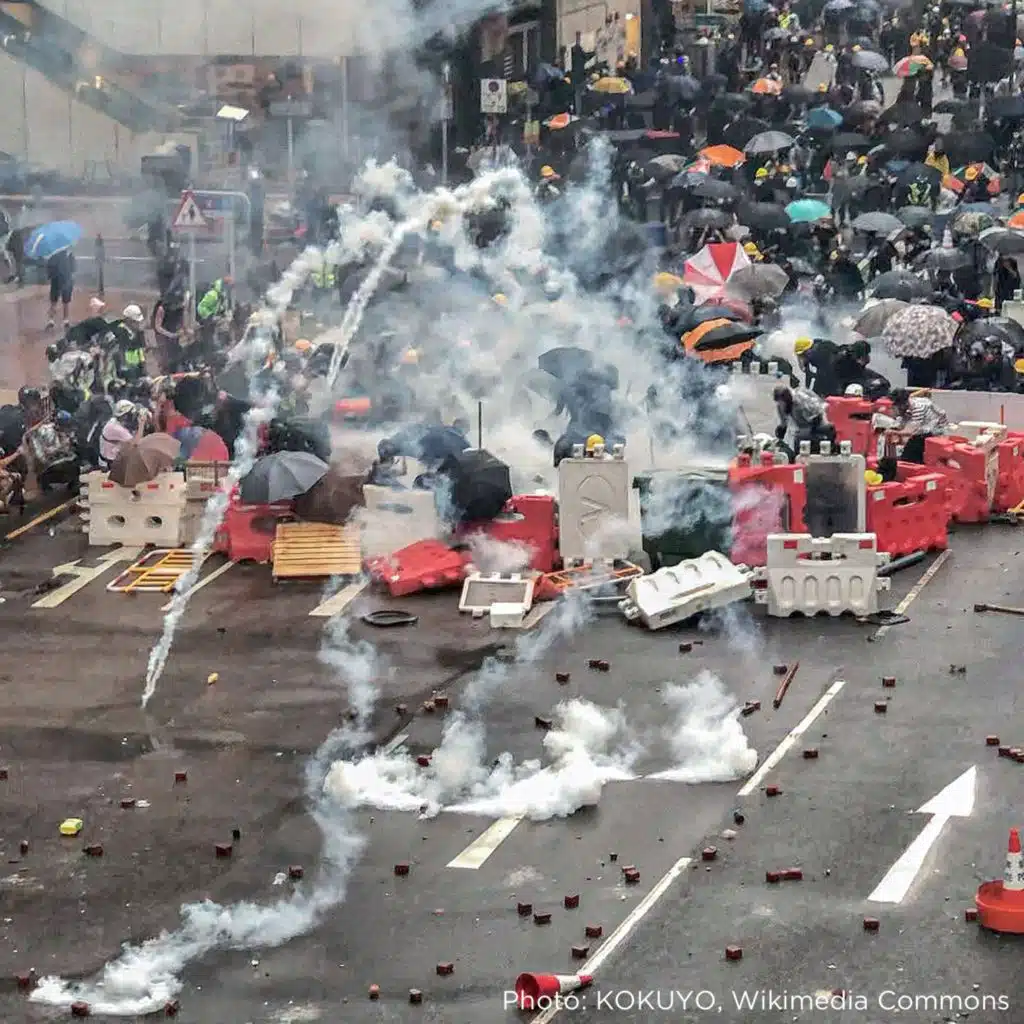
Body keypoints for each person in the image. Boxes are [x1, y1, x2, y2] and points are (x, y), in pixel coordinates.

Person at [887, 387, 949, 463]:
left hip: (937, 431)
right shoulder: (908, 404)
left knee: (910, 452)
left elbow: (911, 431)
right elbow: (900, 419)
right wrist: (895, 429)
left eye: (896, 407)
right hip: (924, 428)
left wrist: (891, 432)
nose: (894, 409)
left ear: (904, 403)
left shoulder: (918, 408)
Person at [773, 384, 836, 453]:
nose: (780, 404)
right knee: (795, 437)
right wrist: (780, 434)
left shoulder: (801, 400)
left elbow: (817, 417)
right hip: (803, 427)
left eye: (781, 402)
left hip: (817, 425)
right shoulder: (781, 406)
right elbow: (783, 424)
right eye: (778, 402)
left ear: (786, 398)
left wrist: (804, 431)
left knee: (798, 439)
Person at [98, 399, 148, 468]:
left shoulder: (114, 421)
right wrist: (142, 423)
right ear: (125, 415)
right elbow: (136, 443)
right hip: (110, 464)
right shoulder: (116, 428)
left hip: (109, 459)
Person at [107, 305, 148, 381]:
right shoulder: (121, 331)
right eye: (134, 322)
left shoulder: (139, 333)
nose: (137, 324)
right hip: (124, 368)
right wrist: (123, 366)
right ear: (127, 320)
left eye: (137, 322)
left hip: (136, 366)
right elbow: (120, 350)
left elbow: (140, 350)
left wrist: (143, 365)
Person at [45, 248, 75, 330]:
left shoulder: (54, 254)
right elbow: (73, 266)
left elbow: (49, 267)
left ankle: (52, 320)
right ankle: (64, 320)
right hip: (64, 279)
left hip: (58, 280)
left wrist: (50, 276)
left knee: (55, 301)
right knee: (64, 301)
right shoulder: (68, 253)